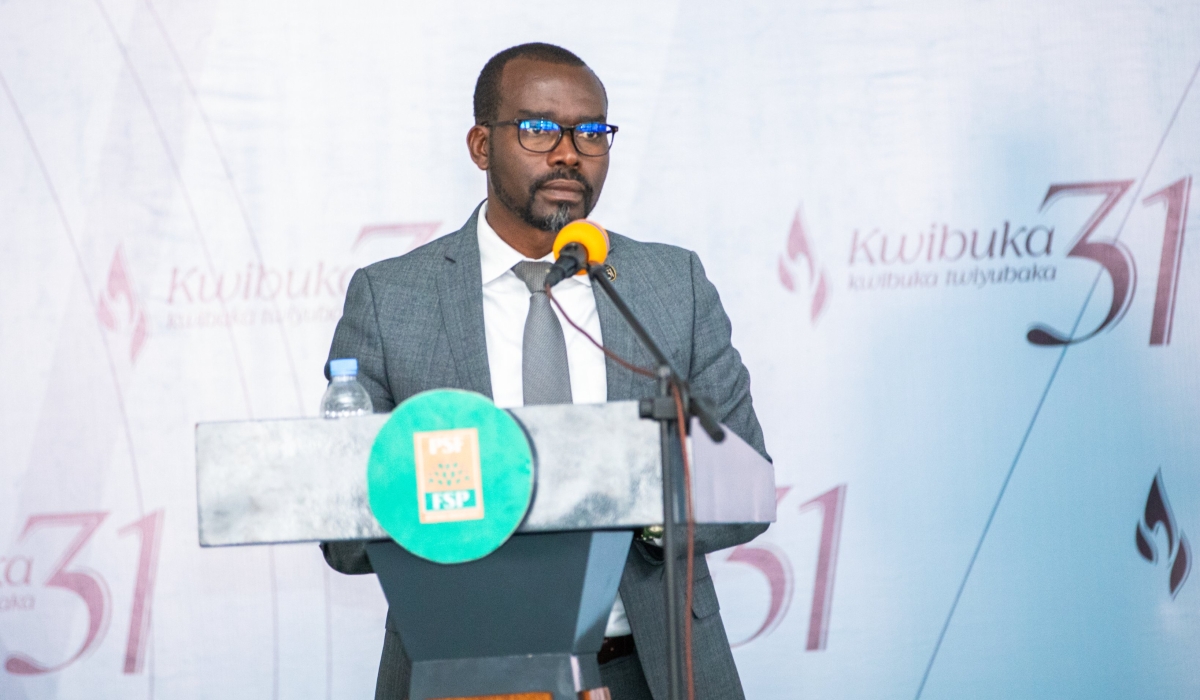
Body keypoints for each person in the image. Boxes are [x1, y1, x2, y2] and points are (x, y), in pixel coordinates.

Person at [322, 42, 769, 700]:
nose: (569, 153)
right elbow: (347, 534)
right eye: (539, 129)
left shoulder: (670, 287)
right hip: (466, 671)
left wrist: (637, 515)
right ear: (481, 145)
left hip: (652, 669)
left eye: (591, 133)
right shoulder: (393, 301)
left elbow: (748, 483)